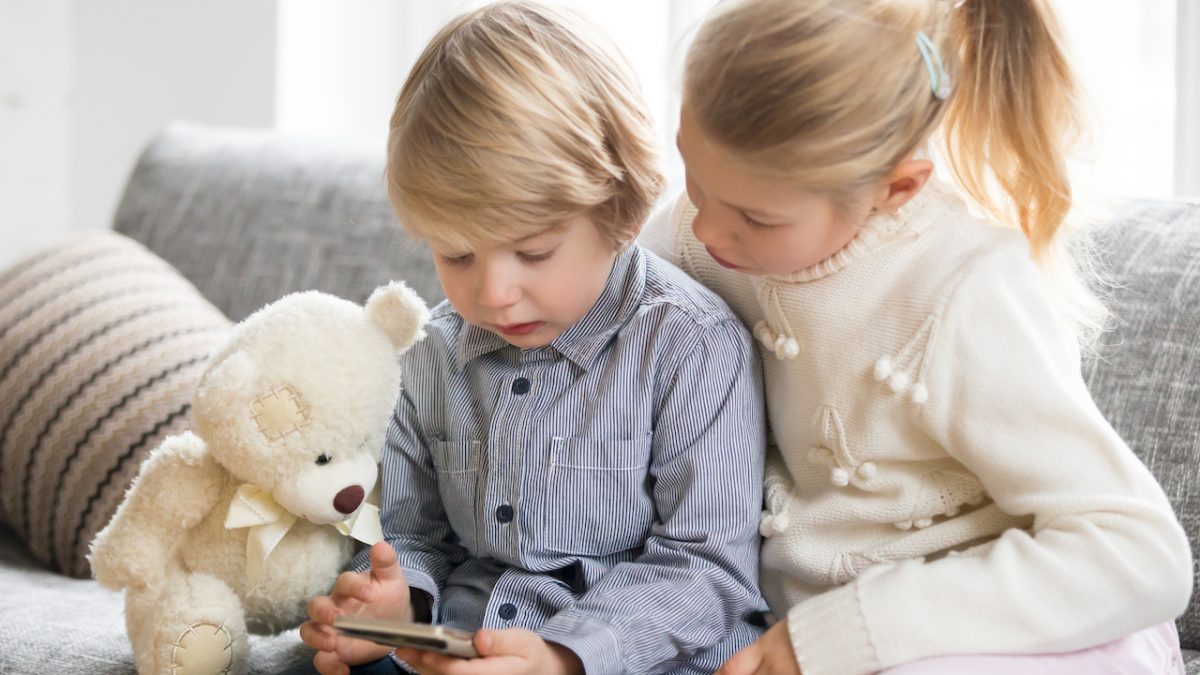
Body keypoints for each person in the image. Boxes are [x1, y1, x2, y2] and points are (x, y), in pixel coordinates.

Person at [639, 1, 1193, 674]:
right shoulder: (697, 238)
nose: (706, 232)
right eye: (694, 179)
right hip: (790, 629)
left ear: (896, 188)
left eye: (757, 217)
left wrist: (845, 631)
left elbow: (1136, 553)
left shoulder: (965, 292)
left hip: (1022, 629)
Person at [297, 2, 767, 674]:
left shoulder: (691, 346)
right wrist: (397, 606)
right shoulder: (428, 357)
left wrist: (563, 656)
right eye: (456, 256)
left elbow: (707, 570)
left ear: (621, 210)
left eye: (535, 251)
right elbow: (409, 532)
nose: (491, 293)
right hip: (461, 649)